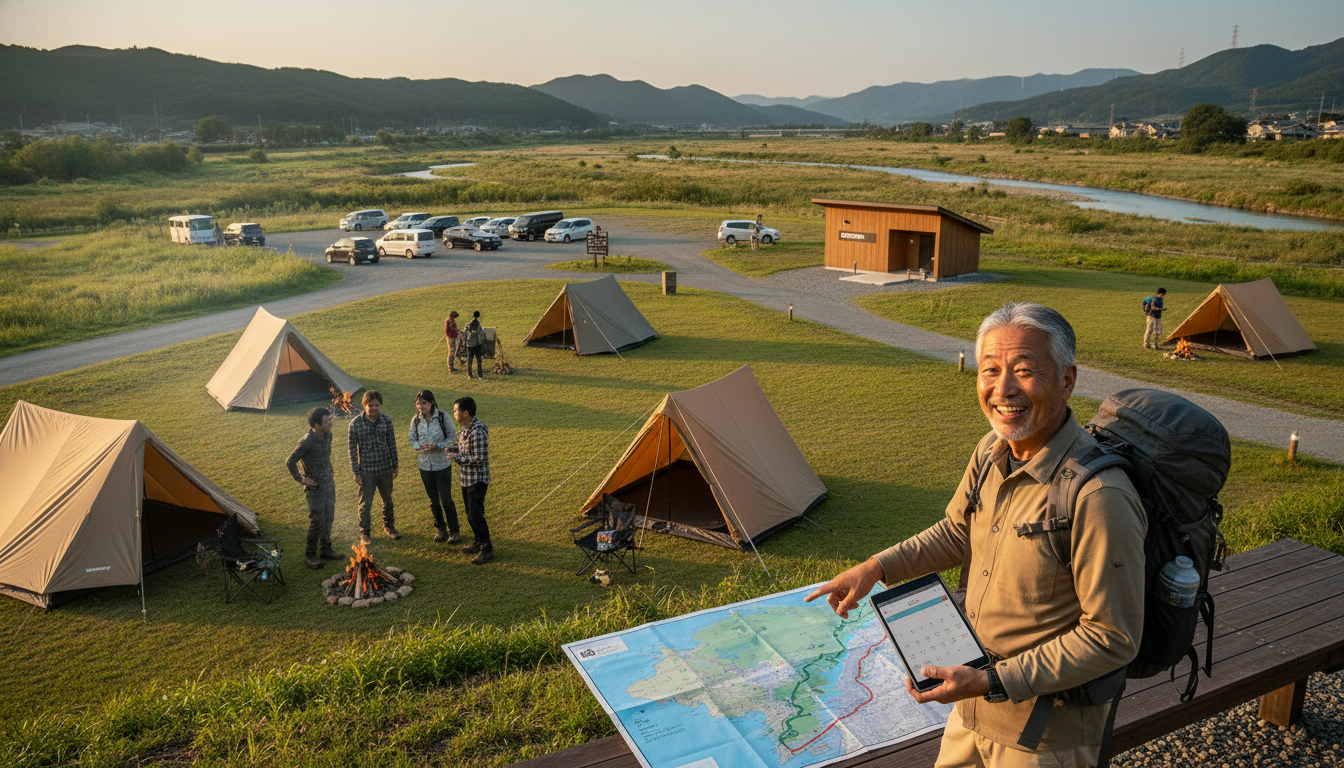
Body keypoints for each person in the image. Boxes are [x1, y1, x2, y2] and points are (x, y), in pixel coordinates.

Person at [806, 302, 1145, 768]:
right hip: (971, 706)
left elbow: (1112, 636)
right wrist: (877, 568)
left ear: (1067, 380)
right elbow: (956, 533)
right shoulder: (991, 450)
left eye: (1024, 371)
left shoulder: (1098, 496)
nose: (1002, 389)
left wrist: (992, 681)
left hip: (1044, 738)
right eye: (990, 370)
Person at [286, 406, 339, 569]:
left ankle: (326, 549)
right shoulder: (306, 442)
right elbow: (290, 461)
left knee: (328, 518)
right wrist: (301, 479)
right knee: (317, 521)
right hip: (315, 489)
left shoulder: (327, 434)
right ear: (316, 425)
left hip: (329, 484)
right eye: (327, 420)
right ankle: (310, 555)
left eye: (330, 419)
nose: (331, 422)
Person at [409, 389, 460, 544]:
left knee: (445, 499)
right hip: (424, 465)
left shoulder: (443, 417)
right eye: (418, 403)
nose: (420, 406)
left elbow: (452, 438)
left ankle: (454, 531)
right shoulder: (416, 420)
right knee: (433, 500)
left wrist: (438, 445)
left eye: (423, 403)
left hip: (442, 464)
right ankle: (441, 529)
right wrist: (419, 446)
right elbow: (412, 438)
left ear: (431, 403)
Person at [348, 390, 399, 545]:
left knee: (388, 500)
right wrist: (356, 472)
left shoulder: (386, 420)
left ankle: (389, 527)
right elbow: (351, 450)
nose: (374, 408)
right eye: (370, 405)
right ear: (364, 405)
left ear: (380, 405)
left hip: (385, 468)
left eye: (377, 405)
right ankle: (364, 533)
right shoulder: (355, 424)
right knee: (365, 504)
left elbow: (392, 443)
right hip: (367, 471)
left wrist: (395, 465)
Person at [446, 396, 493, 564]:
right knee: (470, 514)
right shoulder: (466, 428)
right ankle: (478, 541)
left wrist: (456, 458)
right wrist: (454, 449)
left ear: (465, 413)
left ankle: (486, 549)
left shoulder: (478, 431)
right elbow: (466, 449)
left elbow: (478, 459)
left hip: (477, 480)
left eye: (455, 411)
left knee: (475, 515)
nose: (454, 414)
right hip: (466, 479)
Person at [464, 310, 486, 380]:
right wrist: (481, 343)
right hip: (476, 345)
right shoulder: (478, 325)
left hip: (469, 345)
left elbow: (464, 333)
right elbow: (480, 335)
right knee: (479, 360)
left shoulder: (468, 325)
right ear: (478, 316)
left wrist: (466, 343)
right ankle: (480, 375)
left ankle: (470, 375)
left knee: (469, 360)